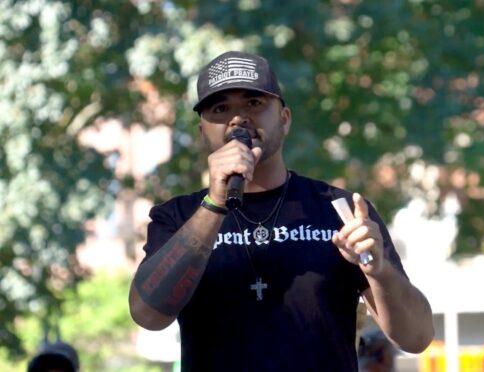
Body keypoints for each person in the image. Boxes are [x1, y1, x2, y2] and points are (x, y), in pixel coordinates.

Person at [129, 50, 434, 371]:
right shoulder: (177, 217)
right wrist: (215, 203)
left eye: (254, 103)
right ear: (202, 131)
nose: (238, 119)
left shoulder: (340, 210)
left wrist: (378, 270)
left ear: (284, 119)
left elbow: (416, 337)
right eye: (220, 108)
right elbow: (147, 315)